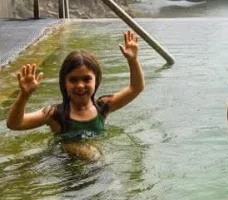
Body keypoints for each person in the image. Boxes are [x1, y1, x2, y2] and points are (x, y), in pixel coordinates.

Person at [6, 31, 145, 157]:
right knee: (92, 154)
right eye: (73, 80)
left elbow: (136, 88)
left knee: (95, 155)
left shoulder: (103, 106)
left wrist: (133, 61)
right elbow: (15, 124)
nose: (80, 85)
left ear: (96, 80)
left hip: (97, 167)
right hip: (63, 166)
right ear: (64, 83)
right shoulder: (55, 113)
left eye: (86, 79)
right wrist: (24, 95)